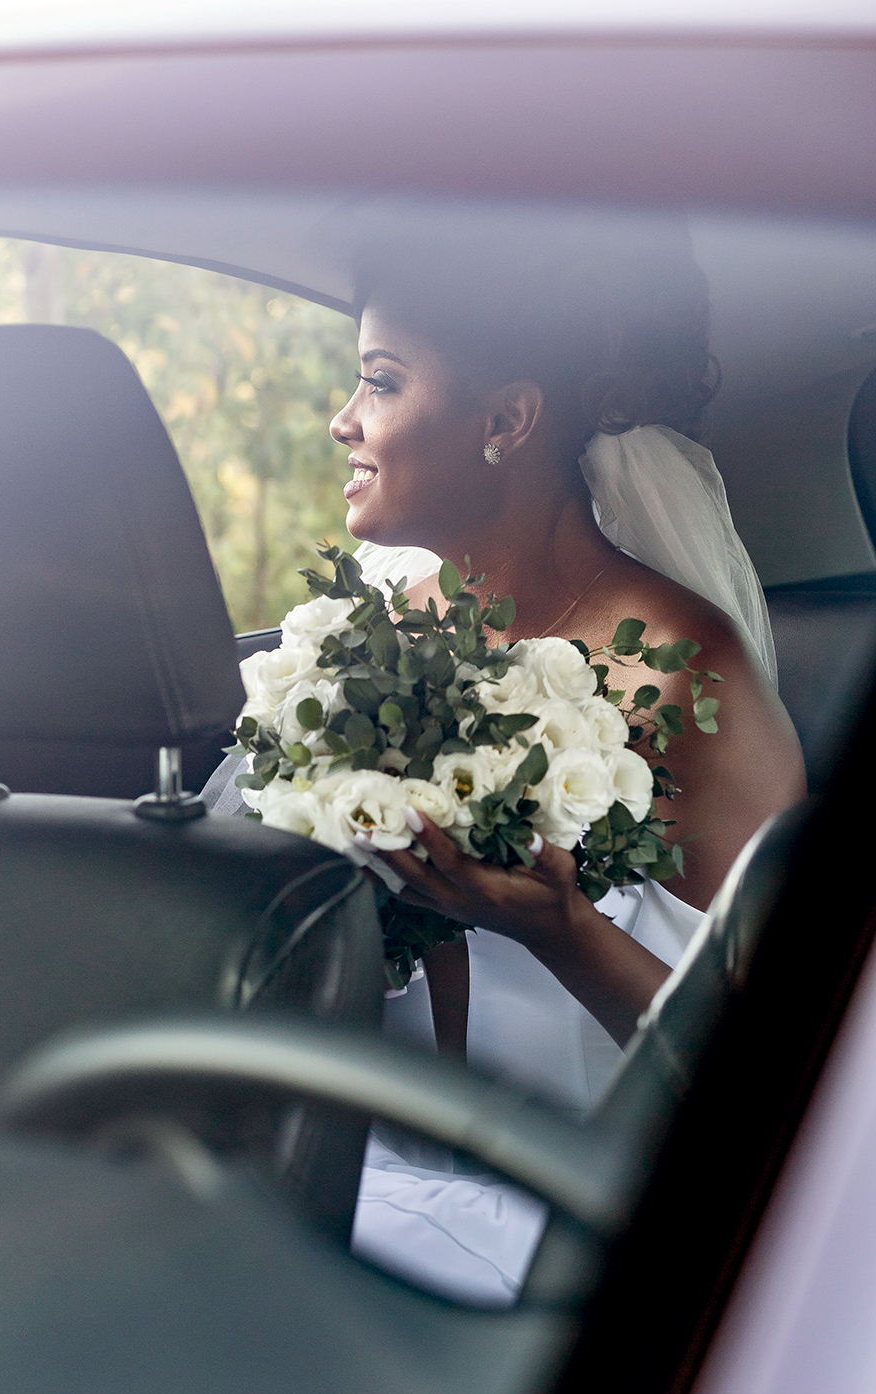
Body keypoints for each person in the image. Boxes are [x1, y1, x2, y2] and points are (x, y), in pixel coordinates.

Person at [207, 210, 805, 1305]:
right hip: (329, 1156)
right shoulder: (360, 645)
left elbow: (791, 1085)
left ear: (507, 418)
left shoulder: (681, 670)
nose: (343, 422)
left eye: (380, 382)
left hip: (575, 1213)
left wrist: (560, 928)